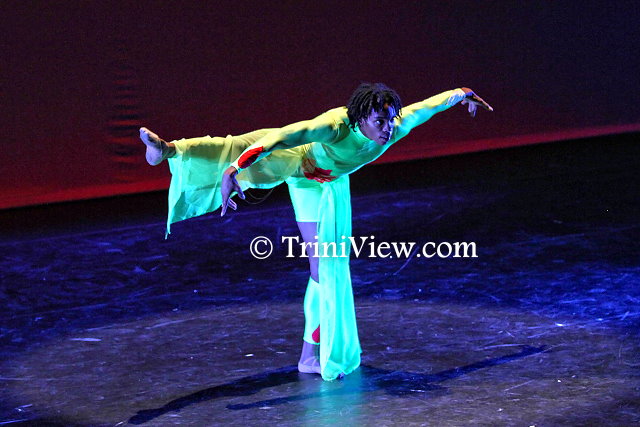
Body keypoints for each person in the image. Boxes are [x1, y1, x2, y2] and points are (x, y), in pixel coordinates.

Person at [140, 83, 492, 381]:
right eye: (379, 121)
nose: (387, 128)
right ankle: (169, 151)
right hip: (296, 157)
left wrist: (463, 94)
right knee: (240, 146)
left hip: (322, 188)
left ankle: (309, 355)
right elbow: (284, 136)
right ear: (360, 119)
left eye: (390, 120)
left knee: (323, 270)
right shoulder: (335, 126)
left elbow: (428, 106)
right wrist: (234, 169)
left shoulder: (394, 127)